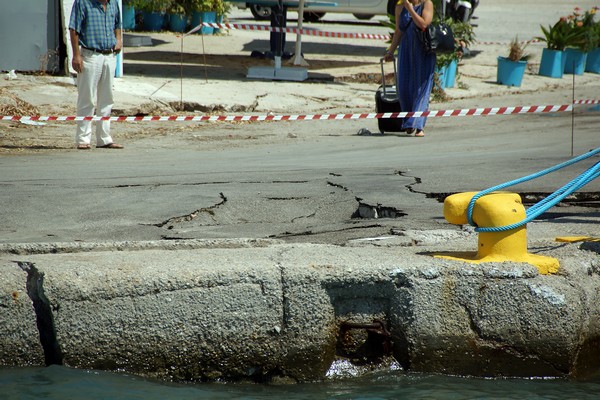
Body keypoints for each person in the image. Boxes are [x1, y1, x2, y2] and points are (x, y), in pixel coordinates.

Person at [69, 0, 123, 150]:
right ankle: (83, 139)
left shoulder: (113, 3)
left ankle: (104, 138)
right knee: (87, 98)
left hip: (109, 56)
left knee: (107, 98)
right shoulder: (83, 3)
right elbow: (74, 29)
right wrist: (76, 55)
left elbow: (117, 24)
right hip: (90, 55)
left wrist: (118, 40)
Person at [384, 0, 435, 137]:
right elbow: (399, 30)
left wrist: (411, 10)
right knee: (404, 86)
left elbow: (424, 24)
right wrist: (390, 52)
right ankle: (408, 122)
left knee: (421, 88)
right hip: (406, 50)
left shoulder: (426, 4)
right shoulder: (400, 6)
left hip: (422, 50)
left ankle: (418, 126)